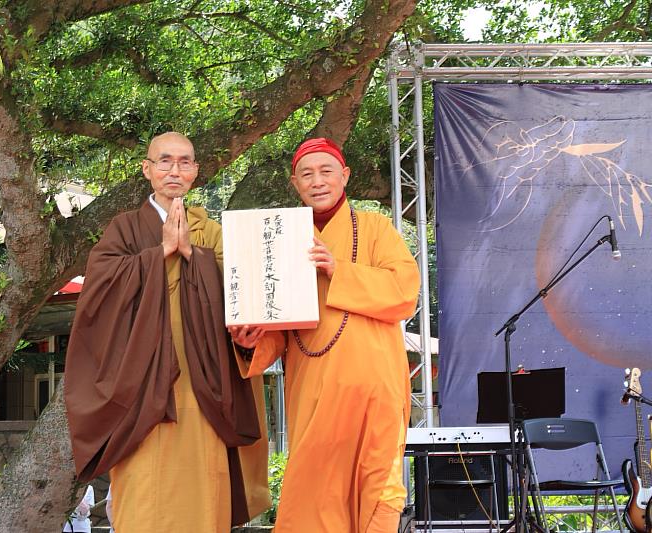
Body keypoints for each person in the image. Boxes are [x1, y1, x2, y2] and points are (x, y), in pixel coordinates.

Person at [65, 132, 270, 533]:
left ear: (195, 171)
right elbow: (98, 294)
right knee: (145, 495)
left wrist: (192, 253)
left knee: (202, 492)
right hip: (142, 391)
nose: (174, 170)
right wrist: (158, 253)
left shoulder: (210, 232)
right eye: (164, 161)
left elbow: (240, 292)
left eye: (184, 162)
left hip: (203, 387)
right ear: (148, 169)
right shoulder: (123, 229)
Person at [230, 138, 420, 533]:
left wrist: (339, 270)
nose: (317, 181)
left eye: (326, 171)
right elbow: (279, 329)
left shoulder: (375, 228)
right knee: (313, 495)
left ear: (344, 176)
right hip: (314, 390)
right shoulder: (280, 239)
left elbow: (405, 293)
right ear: (295, 184)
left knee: (377, 490)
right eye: (307, 174)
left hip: (374, 391)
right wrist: (250, 343)